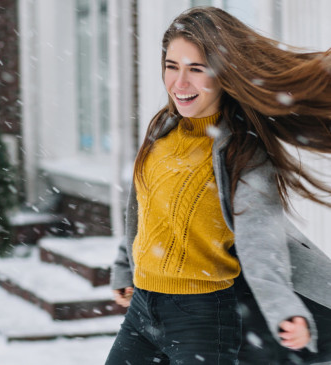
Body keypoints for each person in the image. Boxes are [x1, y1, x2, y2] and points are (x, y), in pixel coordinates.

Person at [105, 6, 331, 365]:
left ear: (224, 74)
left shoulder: (241, 151)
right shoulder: (162, 130)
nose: (180, 84)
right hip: (143, 309)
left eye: (197, 69)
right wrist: (124, 265)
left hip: (202, 317)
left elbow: (261, 241)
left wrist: (282, 308)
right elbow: (147, 210)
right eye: (171, 66)